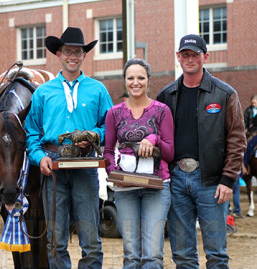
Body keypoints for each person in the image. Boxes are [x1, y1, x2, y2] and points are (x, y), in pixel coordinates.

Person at [25, 27, 113, 269]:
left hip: (86, 163)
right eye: (68, 52)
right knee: (55, 239)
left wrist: (96, 136)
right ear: (59, 54)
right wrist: (39, 157)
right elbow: (31, 132)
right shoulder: (43, 92)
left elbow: (111, 127)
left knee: (90, 238)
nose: (72, 56)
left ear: (84, 55)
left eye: (77, 52)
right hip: (52, 164)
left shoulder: (98, 90)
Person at [157, 34, 246, 268]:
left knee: (216, 253)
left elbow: (237, 139)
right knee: (183, 255)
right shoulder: (166, 96)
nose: (189, 59)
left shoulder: (225, 94)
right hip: (176, 181)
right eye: (184, 54)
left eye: (194, 54)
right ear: (178, 57)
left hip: (212, 183)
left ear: (205, 57)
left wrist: (228, 179)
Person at [104, 58, 174, 268]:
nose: (136, 82)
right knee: (132, 254)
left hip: (157, 187)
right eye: (131, 78)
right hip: (126, 190)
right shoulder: (114, 113)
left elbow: (170, 153)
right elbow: (108, 151)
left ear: (148, 80)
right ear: (125, 80)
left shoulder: (162, 110)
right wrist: (114, 174)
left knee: (152, 254)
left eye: (141, 78)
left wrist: (154, 139)